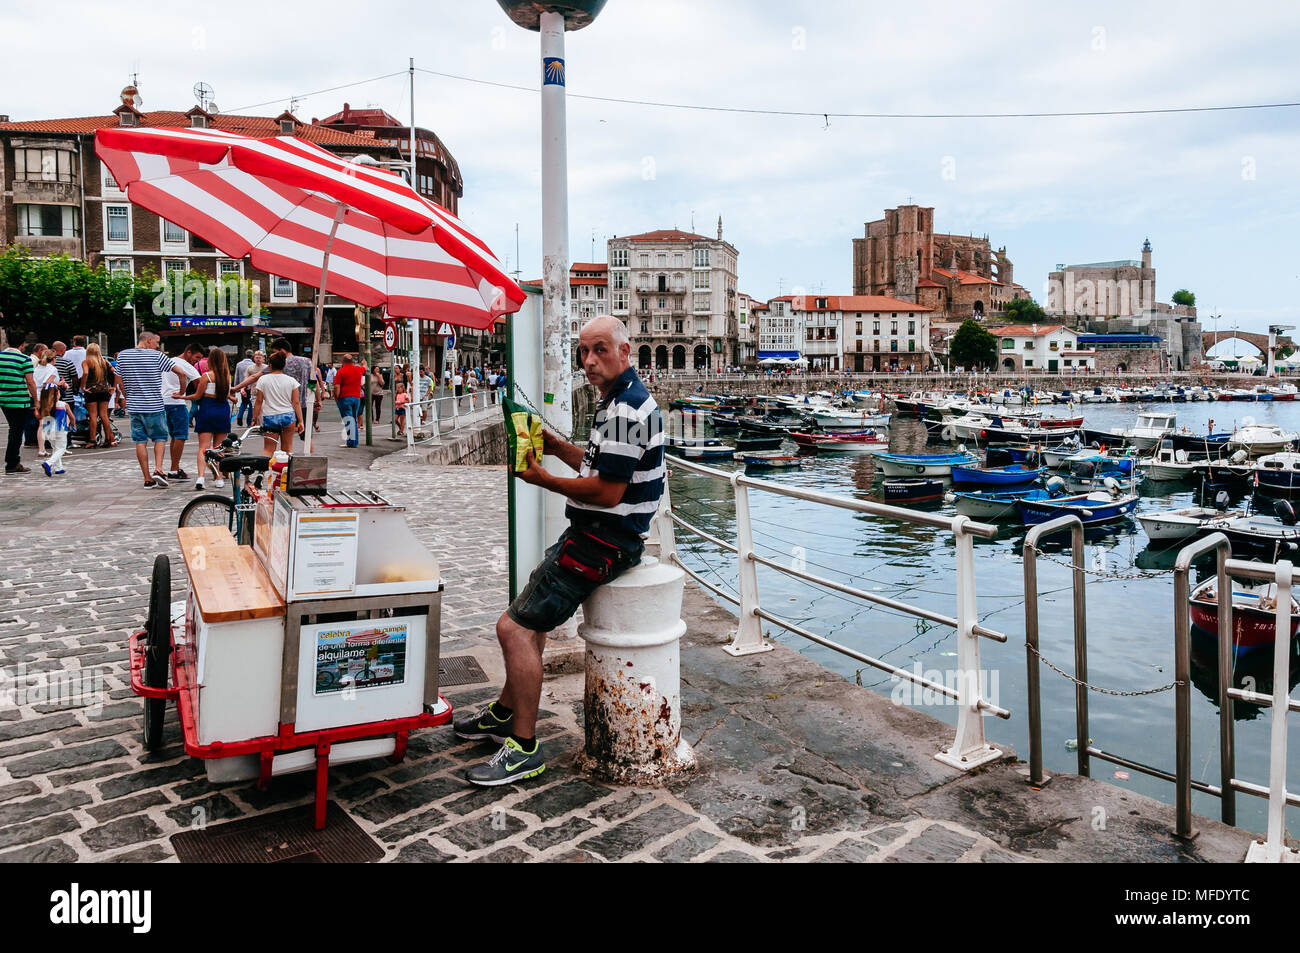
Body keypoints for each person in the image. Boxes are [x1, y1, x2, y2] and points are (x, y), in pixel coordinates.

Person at [455, 315, 664, 786]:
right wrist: (552, 445)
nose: (589, 361)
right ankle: (507, 711)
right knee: (531, 621)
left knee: (512, 628)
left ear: (624, 352)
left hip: (602, 540)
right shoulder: (618, 402)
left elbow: (609, 492)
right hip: (600, 535)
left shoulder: (627, 409)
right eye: (583, 352)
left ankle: (524, 749)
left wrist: (542, 479)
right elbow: (599, 465)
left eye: (600, 350)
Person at [116, 330, 179, 488]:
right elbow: (181, 372)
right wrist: (182, 390)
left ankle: (147, 478)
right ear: (149, 340)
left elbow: (119, 380)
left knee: (140, 441)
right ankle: (158, 469)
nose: (157, 346)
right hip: (154, 405)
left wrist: (126, 395)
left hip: (134, 406)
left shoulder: (123, 355)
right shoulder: (156, 356)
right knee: (159, 438)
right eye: (157, 342)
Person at [188, 348, 233, 490]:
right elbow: (225, 395)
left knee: (203, 447)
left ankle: (200, 477)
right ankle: (219, 478)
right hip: (222, 410)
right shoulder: (227, 376)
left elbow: (197, 396)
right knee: (219, 448)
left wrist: (181, 397)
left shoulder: (206, 376)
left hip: (207, 409)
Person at [161, 342, 202, 481]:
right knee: (181, 436)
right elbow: (201, 382)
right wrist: (183, 393)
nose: (197, 361)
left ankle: (174, 467)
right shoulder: (185, 365)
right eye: (197, 357)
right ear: (188, 352)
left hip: (163, 402)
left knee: (174, 436)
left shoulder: (169, 361)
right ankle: (173, 469)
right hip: (176, 402)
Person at [251, 350, 303, 456]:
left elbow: (259, 401)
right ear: (283, 365)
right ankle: (285, 471)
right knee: (287, 449)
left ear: (269, 365)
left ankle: (264, 471)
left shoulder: (263, 379)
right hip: (288, 415)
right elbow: (296, 402)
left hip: (270, 416)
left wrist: (254, 418)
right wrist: (301, 421)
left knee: (268, 449)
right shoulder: (291, 381)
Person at [0, 337, 38, 474]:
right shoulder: (24, 359)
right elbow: (30, 382)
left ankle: (12, 461)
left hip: (3, 398)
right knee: (16, 432)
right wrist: (36, 400)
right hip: (19, 399)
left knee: (13, 429)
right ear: (22, 344)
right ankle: (12, 463)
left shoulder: (1, 357)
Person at [79, 343, 121, 448]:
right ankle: (108, 439)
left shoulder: (87, 362)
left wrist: (82, 386)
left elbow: (85, 373)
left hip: (91, 391)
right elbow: (116, 372)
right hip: (104, 391)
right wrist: (114, 387)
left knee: (93, 416)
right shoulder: (105, 362)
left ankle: (92, 440)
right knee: (104, 415)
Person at [36, 377, 71, 477]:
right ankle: (49, 463)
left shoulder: (42, 405)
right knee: (61, 448)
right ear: (56, 395)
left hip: (47, 429)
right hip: (59, 429)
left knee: (55, 447)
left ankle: (59, 468)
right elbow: (71, 416)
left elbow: (39, 417)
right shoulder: (62, 404)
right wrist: (72, 422)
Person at [333, 353, 365, 447]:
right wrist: (364, 363)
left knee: (348, 419)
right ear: (352, 361)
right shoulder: (358, 369)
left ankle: (351, 442)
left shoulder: (341, 371)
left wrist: (336, 398)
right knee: (353, 419)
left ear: (342, 361)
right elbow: (365, 367)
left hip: (345, 397)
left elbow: (336, 386)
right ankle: (354, 442)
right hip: (356, 398)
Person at [233, 349, 257, 427]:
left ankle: (239, 416)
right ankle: (249, 422)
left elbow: (236, 376)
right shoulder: (253, 365)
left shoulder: (239, 364)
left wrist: (236, 387)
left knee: (243, 403)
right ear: (252, 356)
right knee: (250, 404)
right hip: (251, 386)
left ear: (245, 355)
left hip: (242, 386)